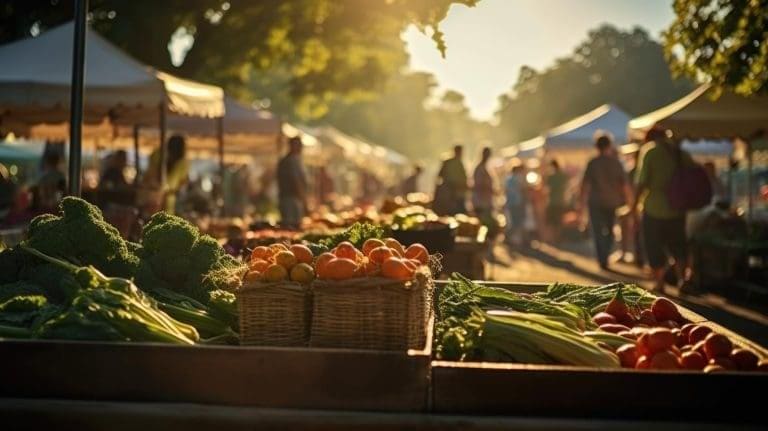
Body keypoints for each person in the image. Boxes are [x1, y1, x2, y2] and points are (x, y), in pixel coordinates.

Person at [633, 128, 693, 292]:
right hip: (678, 208)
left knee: (653, 246)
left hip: (654, 207)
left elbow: (642, 182)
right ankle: (682, 280)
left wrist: (633, 207)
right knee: (679, 245)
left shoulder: (650, 151)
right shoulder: (682, 153)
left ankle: (660, 283)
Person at [579, 133, 633, 270]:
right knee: (610, 230)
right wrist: (629, 202)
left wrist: (581, 202)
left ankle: (602, 257)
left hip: (595, 202)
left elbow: (585, 185)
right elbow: (624, 186)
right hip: (612, 202)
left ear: (596, 146)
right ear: (609, 145)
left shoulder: (592, 163)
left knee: (597, 231)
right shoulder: (616, 163)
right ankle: (606, 255)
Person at [142, 134, 190, 214]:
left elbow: (183, 181)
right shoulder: (159, 155)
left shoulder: (182, 163)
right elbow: (183, 182)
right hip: (155, 197)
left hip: (163, 198)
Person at [277, 136, 308, 229]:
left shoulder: (295, 160)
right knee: (291, 226)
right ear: (291, 145)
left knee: (294, 225)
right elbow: (296, 180)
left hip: (293, 198)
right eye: (298, 145)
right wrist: (303, 198)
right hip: (290, 198)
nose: (300, 148)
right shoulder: (289, 161)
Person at [435, 145, 468, 215]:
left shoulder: (460, 163)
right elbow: (439, 176)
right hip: (449, 195)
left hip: (459, 194)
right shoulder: (448, 162)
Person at [544, 159, 568, 242]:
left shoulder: (551, 176)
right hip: (560, 201)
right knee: (559, 221)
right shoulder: (563, 175)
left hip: (552, 202)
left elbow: (546, 188)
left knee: (553, 221)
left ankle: (554, 238)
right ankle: (558, 237)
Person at [505, 163, 527, 246]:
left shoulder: (508, 179)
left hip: (511, 203)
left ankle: (509, 238)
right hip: (517, 203)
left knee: (514, 222)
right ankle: (509, 237)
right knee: (516, 222)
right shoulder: (518, 179)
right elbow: (522, 190)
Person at [472, 147, 495, 221]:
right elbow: (479, 185)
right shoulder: (480, 168)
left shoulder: (484, 167)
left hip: (485, 201)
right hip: (481, 202)